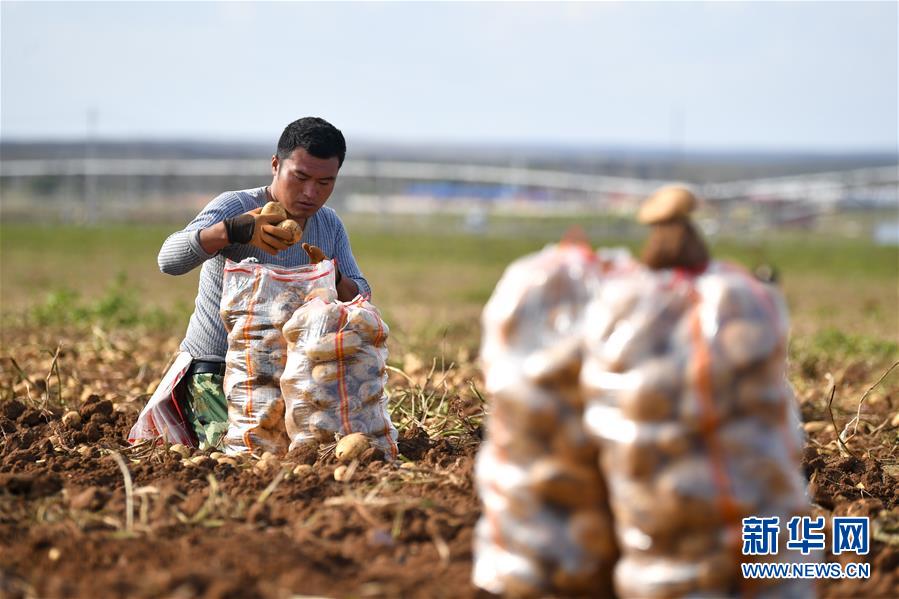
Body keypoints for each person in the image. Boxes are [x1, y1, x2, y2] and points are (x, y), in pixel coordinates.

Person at [152, 116, 370, 448]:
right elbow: (168, 260)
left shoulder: (328, 225)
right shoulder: (237, 207)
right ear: (275, 165)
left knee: (322, 451)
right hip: (219, 370)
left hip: (294, 377)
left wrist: (331, 274)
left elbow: (361, 295)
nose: (311, 193)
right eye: (300, 177)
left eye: (326, 182)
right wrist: (232, 231)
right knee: (241, 456)